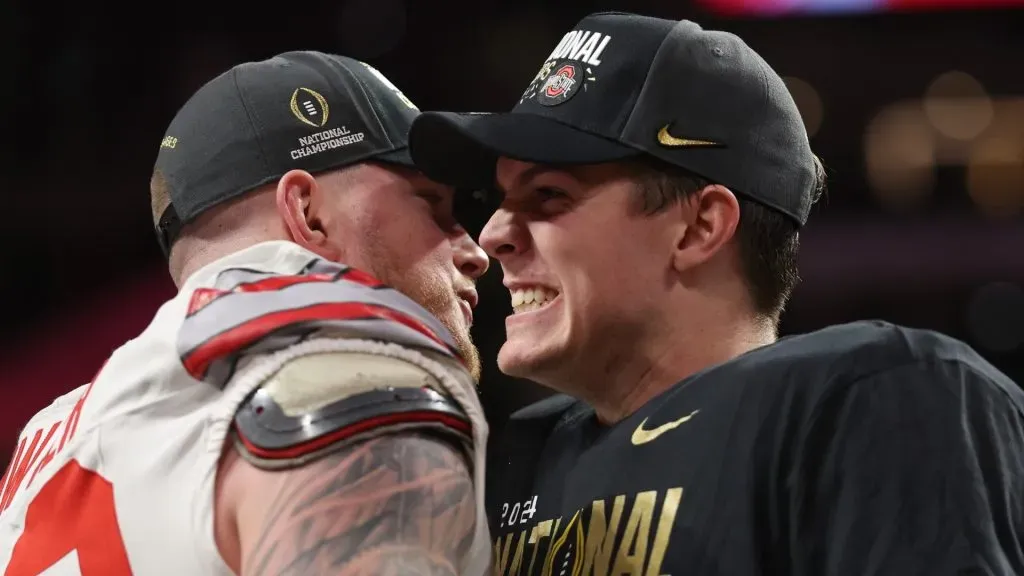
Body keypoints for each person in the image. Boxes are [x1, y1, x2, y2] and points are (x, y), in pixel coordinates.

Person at [408, 11, 1024, 575]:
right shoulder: (514, 455)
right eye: (500, 200)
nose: (494, 235)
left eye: (548, 196)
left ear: (699, 228)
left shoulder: (870, 400)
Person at [0, 51, 493, 576]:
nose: (476, 252)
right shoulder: (350, 366)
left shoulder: (47, 439)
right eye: (432, 205)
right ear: (308, 213)